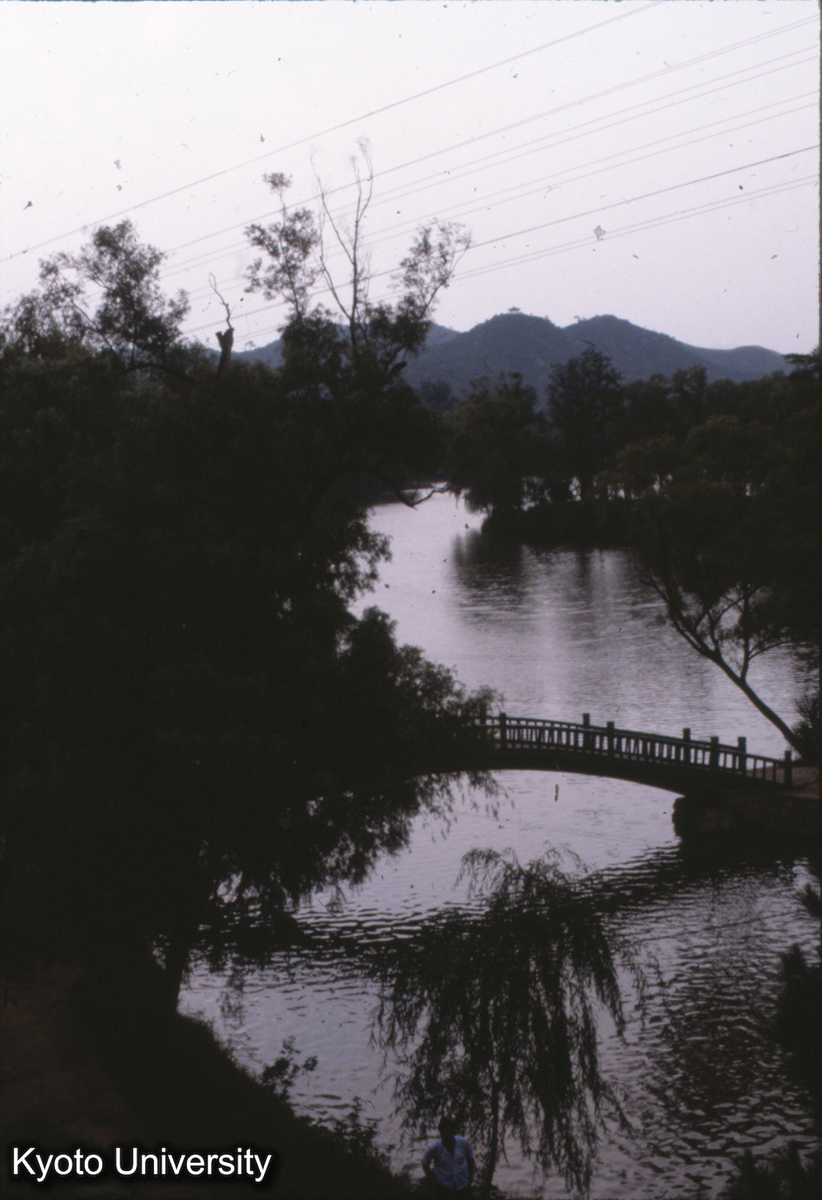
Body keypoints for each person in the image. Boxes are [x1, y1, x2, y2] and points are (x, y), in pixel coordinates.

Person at [421, 1116, 475, 1195]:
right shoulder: (435, 1147)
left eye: (447, 1131)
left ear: (452, 1132)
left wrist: (470, 1176)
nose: (445, 1135)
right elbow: (425, 1162)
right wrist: (433, 1181)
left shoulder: (463, 1143)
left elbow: (470, 1158)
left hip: (463, 1185)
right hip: (444, 1188)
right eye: (442, 1132)